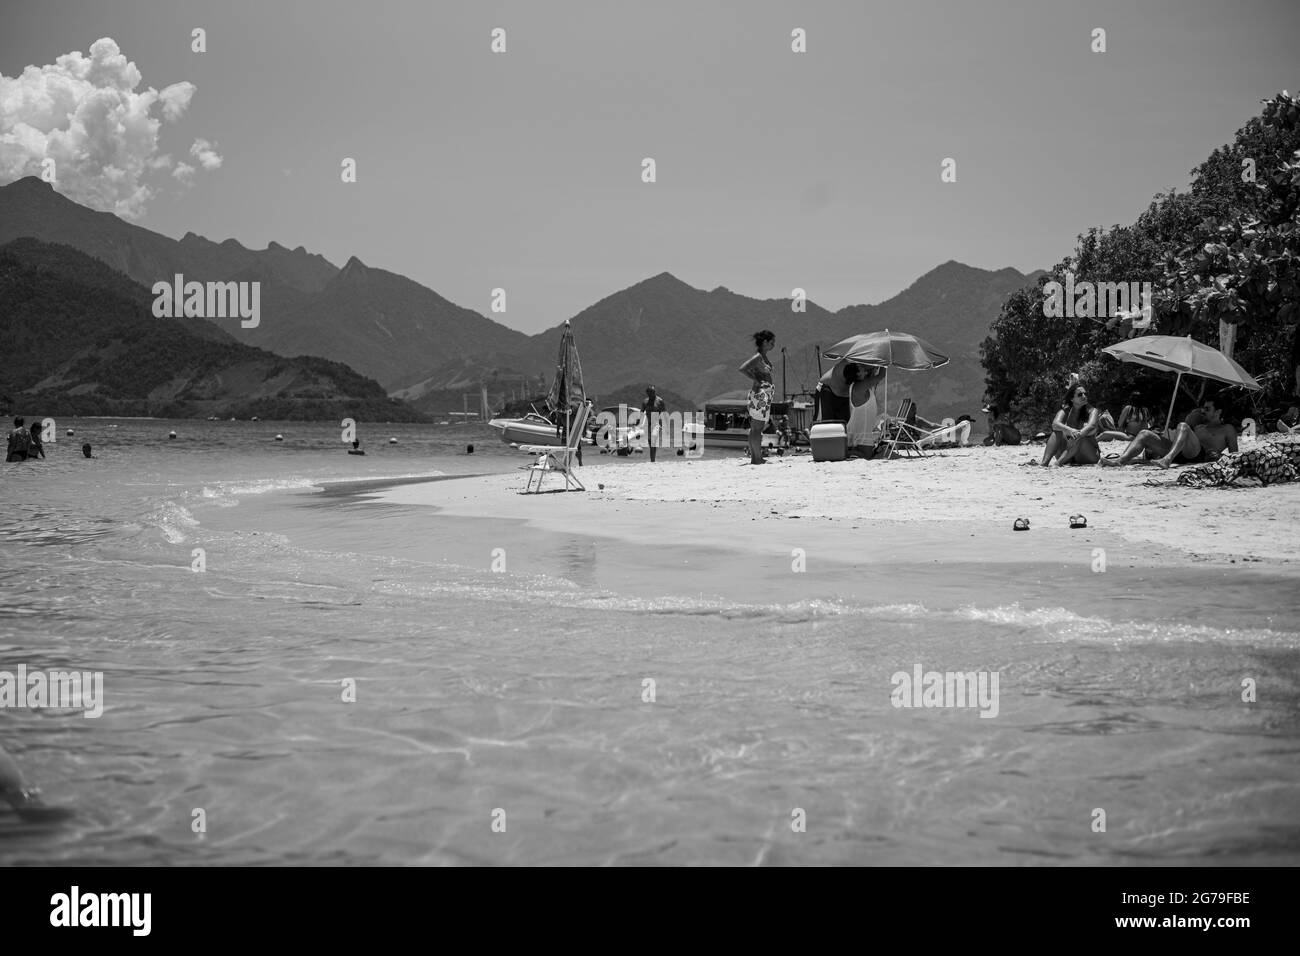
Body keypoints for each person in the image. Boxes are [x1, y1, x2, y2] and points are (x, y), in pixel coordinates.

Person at [1102, 397, 1238, 468]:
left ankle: (1167, 460)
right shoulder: (1199, 424)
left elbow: (1235, 457)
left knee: (1183, 425)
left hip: (1198, 455)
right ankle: (1120, 460)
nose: (1203, 411)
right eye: (1203, 408)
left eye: (1207, 409)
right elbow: (1181, 433)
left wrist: (1219, 456)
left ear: (1218, 412)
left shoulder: (1228, 429)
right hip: (1179, 452)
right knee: (1144, 433)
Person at [738, 330, 776, 464]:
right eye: (772, 342)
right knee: (757, 428)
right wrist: (754, 379)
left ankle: (755, 458)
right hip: (760, 394)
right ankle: (757, 458)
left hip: (763, 394)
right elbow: (743, 368)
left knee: (756, 428)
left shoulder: (762, 357)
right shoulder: (758, 357)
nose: (773, 345)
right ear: (765, 342)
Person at [1041, 384, 1101, 466]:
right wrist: (1070, 430)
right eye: (1080, 395)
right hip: (1068, 454)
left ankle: (1058, 463)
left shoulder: (1092, 411)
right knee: (1056, 433)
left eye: (1085, 394)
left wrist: (1076, 433)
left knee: (1079, 435)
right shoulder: (1065, 410)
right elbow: (1055, 424)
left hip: (1087, 455)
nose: (1084, 396)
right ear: (1072, 399)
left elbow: (1091, 426)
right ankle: (1044, 463)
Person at [846, 366, 887, 457]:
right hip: (862, 433)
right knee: (866, 455)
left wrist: (876, 365)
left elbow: (872, 375)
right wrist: (884, 362)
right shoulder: (861, 386)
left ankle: (849, 450)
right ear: (858, 374)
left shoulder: (858, 385)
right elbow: (881, 375)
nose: (864, 368)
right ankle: (844, 452)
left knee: (868, 454)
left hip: (858, 430)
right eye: (861, 368)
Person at [641, 385, 666, 462]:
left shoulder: (660, 401)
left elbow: (664, 413)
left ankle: (652, 461)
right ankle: (653, 460)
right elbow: (641, 413)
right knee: (650, 442)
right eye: (650, 393)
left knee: (653, 439)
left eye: (653, 392)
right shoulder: (645, 402)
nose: (652, 394)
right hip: (648, 424)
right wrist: (637, 422)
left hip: (657, 424)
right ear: (647, 393)